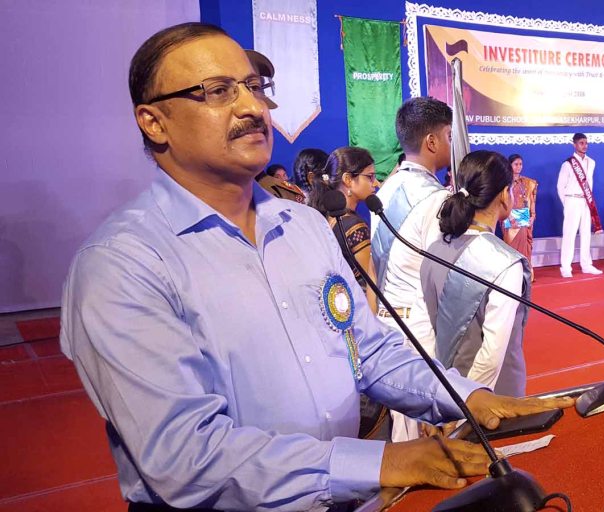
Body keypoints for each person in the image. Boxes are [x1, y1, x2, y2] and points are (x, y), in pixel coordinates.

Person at [59, 23, 571, 512]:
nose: (251, 107)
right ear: (154, 121)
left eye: (254, 87)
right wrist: (381, 461)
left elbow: (368, 352)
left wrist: (467, 397)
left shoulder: (302, 226)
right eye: (217, 91)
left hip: (349, 499)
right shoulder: (123, 264)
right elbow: (184, 455)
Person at [370, 96, 455, 442]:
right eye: (449, 136)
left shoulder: (385, 187)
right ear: (431, 141)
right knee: (426, 436)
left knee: (402, 430)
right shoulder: (436, 197)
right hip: (419, 325)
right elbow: (442, 275)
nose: (452, 143)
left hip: (387, 320)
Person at [422, 150, 530, 397]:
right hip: (490, 399)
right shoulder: (504, 262)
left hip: (444, 389)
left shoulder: (434, 249)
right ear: (505, 195)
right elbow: (492, 355)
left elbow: (429, 329)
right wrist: (468, 403)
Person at [309, 146, 381, 313]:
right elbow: (369, 286)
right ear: (348, 179)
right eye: (370, 177)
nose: (375, 183)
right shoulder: (355, 227)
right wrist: (373, 325)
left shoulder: (326, 219)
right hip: (358, 315)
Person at [557, 133, 603, 277]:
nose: (584, 145)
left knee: (586, 233)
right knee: (569, 234)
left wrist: (589, 200)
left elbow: (590, 183)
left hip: (586, 201)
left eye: (586, 143)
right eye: (581, 143)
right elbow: (560, 186)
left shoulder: (592, 162)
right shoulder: (568, 164)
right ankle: (566, 267)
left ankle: (586, 264)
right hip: (572, 200)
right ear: (574, 144)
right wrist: (567, 203)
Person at [502, 154, 538, 276]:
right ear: (510, 165)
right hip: (509, 218)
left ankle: (525, 274)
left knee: (525, 246)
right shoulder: (504, 183)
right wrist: (509, 217)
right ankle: (512, 275)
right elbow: (501, 202)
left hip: (524, 218)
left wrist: (533, 216)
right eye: (516, 164)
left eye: (520, 164)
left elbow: (531, 201)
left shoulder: (527, 183)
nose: (519, 167)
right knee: (511, 247)